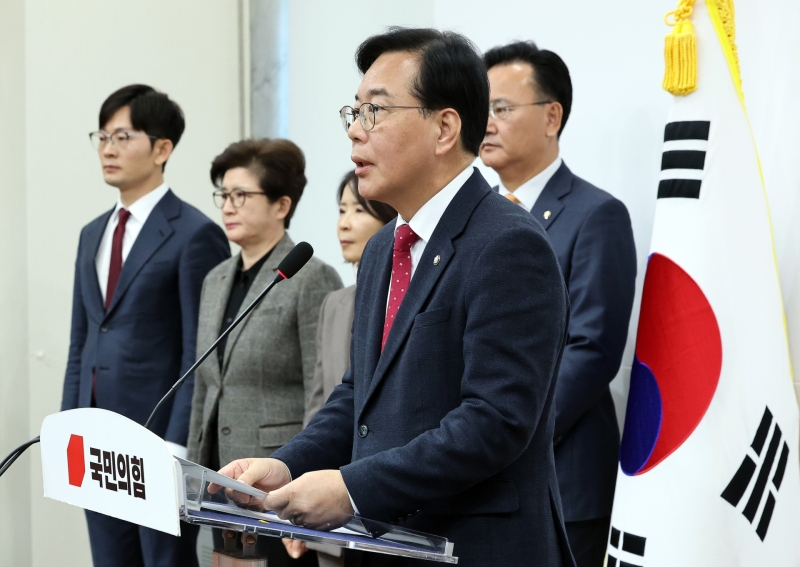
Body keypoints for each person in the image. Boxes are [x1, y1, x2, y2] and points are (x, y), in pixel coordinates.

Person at [216, 28, 574, 567]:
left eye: (375, 112)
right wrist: (288, 465)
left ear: (444, 128)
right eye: (354, 112)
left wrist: (352, 489)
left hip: (474, 549)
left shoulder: (508, 243)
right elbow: (358, 396)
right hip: (385, 544)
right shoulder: (385, 247)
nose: (354, 131)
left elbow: (495, 421)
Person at [480, 41, 637, 567]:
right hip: (481, 482)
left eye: (501, 108)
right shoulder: (479, 219)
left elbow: (592, 349)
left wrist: (508, 435)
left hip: (562, 476)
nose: (486, 124)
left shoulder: (596, 214)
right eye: (481, 109)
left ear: (551, 116)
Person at [61, 84, 231, 567]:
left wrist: (178, 443)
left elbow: (199, 351)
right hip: (96, 440)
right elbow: (82, 340)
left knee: (163, 561)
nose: (108, 149)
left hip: (157, 440)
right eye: (102, 137)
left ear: (162, 149)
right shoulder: (92, 233)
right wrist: (69, 426)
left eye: (123, 137)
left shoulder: (195, 233)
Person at [187, 138, 342, 566]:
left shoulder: (311, 277)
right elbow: (205, 383)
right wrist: (193, 474)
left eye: (241, 195)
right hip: (217, 478)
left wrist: (306, 477)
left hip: (277, 482)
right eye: (223, 195)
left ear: (281, 205)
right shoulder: (216, 279)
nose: (228, 206)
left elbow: (323, 391)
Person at [284, 171, 396, 565]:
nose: (344, 223)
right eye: (341, 210)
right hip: (324, 507)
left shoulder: (405, 298)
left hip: (387, 500)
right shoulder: (334, 303)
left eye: (359, 211)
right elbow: (321, 403)